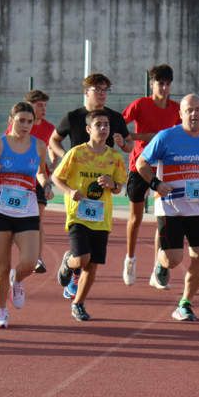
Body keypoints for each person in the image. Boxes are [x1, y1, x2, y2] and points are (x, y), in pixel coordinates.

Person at [135, 94, 199, 321]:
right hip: (171, 207)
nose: (194, 114)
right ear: (180, 114)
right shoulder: (166, 137)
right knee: (173, 259)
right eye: (189, 110)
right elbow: (142, 162)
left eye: (198, 110)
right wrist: (156, 183)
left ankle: (185, 303)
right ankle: (160, 264)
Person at [49, 73, 131, 299]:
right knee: (81, 238)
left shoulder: (114, 117)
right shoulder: (73, 116)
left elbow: (129, 144)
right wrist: (66, 157)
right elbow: (53, 139)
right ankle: (75, 268)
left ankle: (74, 268)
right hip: (77, 185)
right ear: (86, 92)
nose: (103, 93)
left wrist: (125, 143)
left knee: (92, 250)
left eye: (106, 90)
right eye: (98, 89)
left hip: (102, 185)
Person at [0, 102, 50, 328]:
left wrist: (45, 184)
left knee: (29, 261)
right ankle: (1, 310)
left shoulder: (39, 146)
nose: (26, 125)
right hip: (0, 209)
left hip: (27, 209)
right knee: (2, 265)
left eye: (30, 121)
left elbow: (40, 172)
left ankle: (17, 279)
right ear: (12, 120)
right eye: (21, 121)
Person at [121, 64, 181, 286]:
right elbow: (120, 125)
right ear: (152, 84)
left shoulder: (176, 109)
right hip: (140, 166)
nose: (164, 87)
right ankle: (130, 259)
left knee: (162, 219)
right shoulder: (140, 104)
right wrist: (131, 138)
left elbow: (175, 135)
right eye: (160, 83)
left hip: (164, 168)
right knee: (135, 218)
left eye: (167, 84)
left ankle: (159, 268)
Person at [5, 90, 55, 274]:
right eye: (39, 105)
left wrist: (54, 157)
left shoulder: (50, 128)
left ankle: (37, 258)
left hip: (39, 177)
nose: (43, 109)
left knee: (38, 219)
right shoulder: (18, 125)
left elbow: (54, 145)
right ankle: (10, 256)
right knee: (13, 220)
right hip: (17, 180)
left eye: (45, 105)